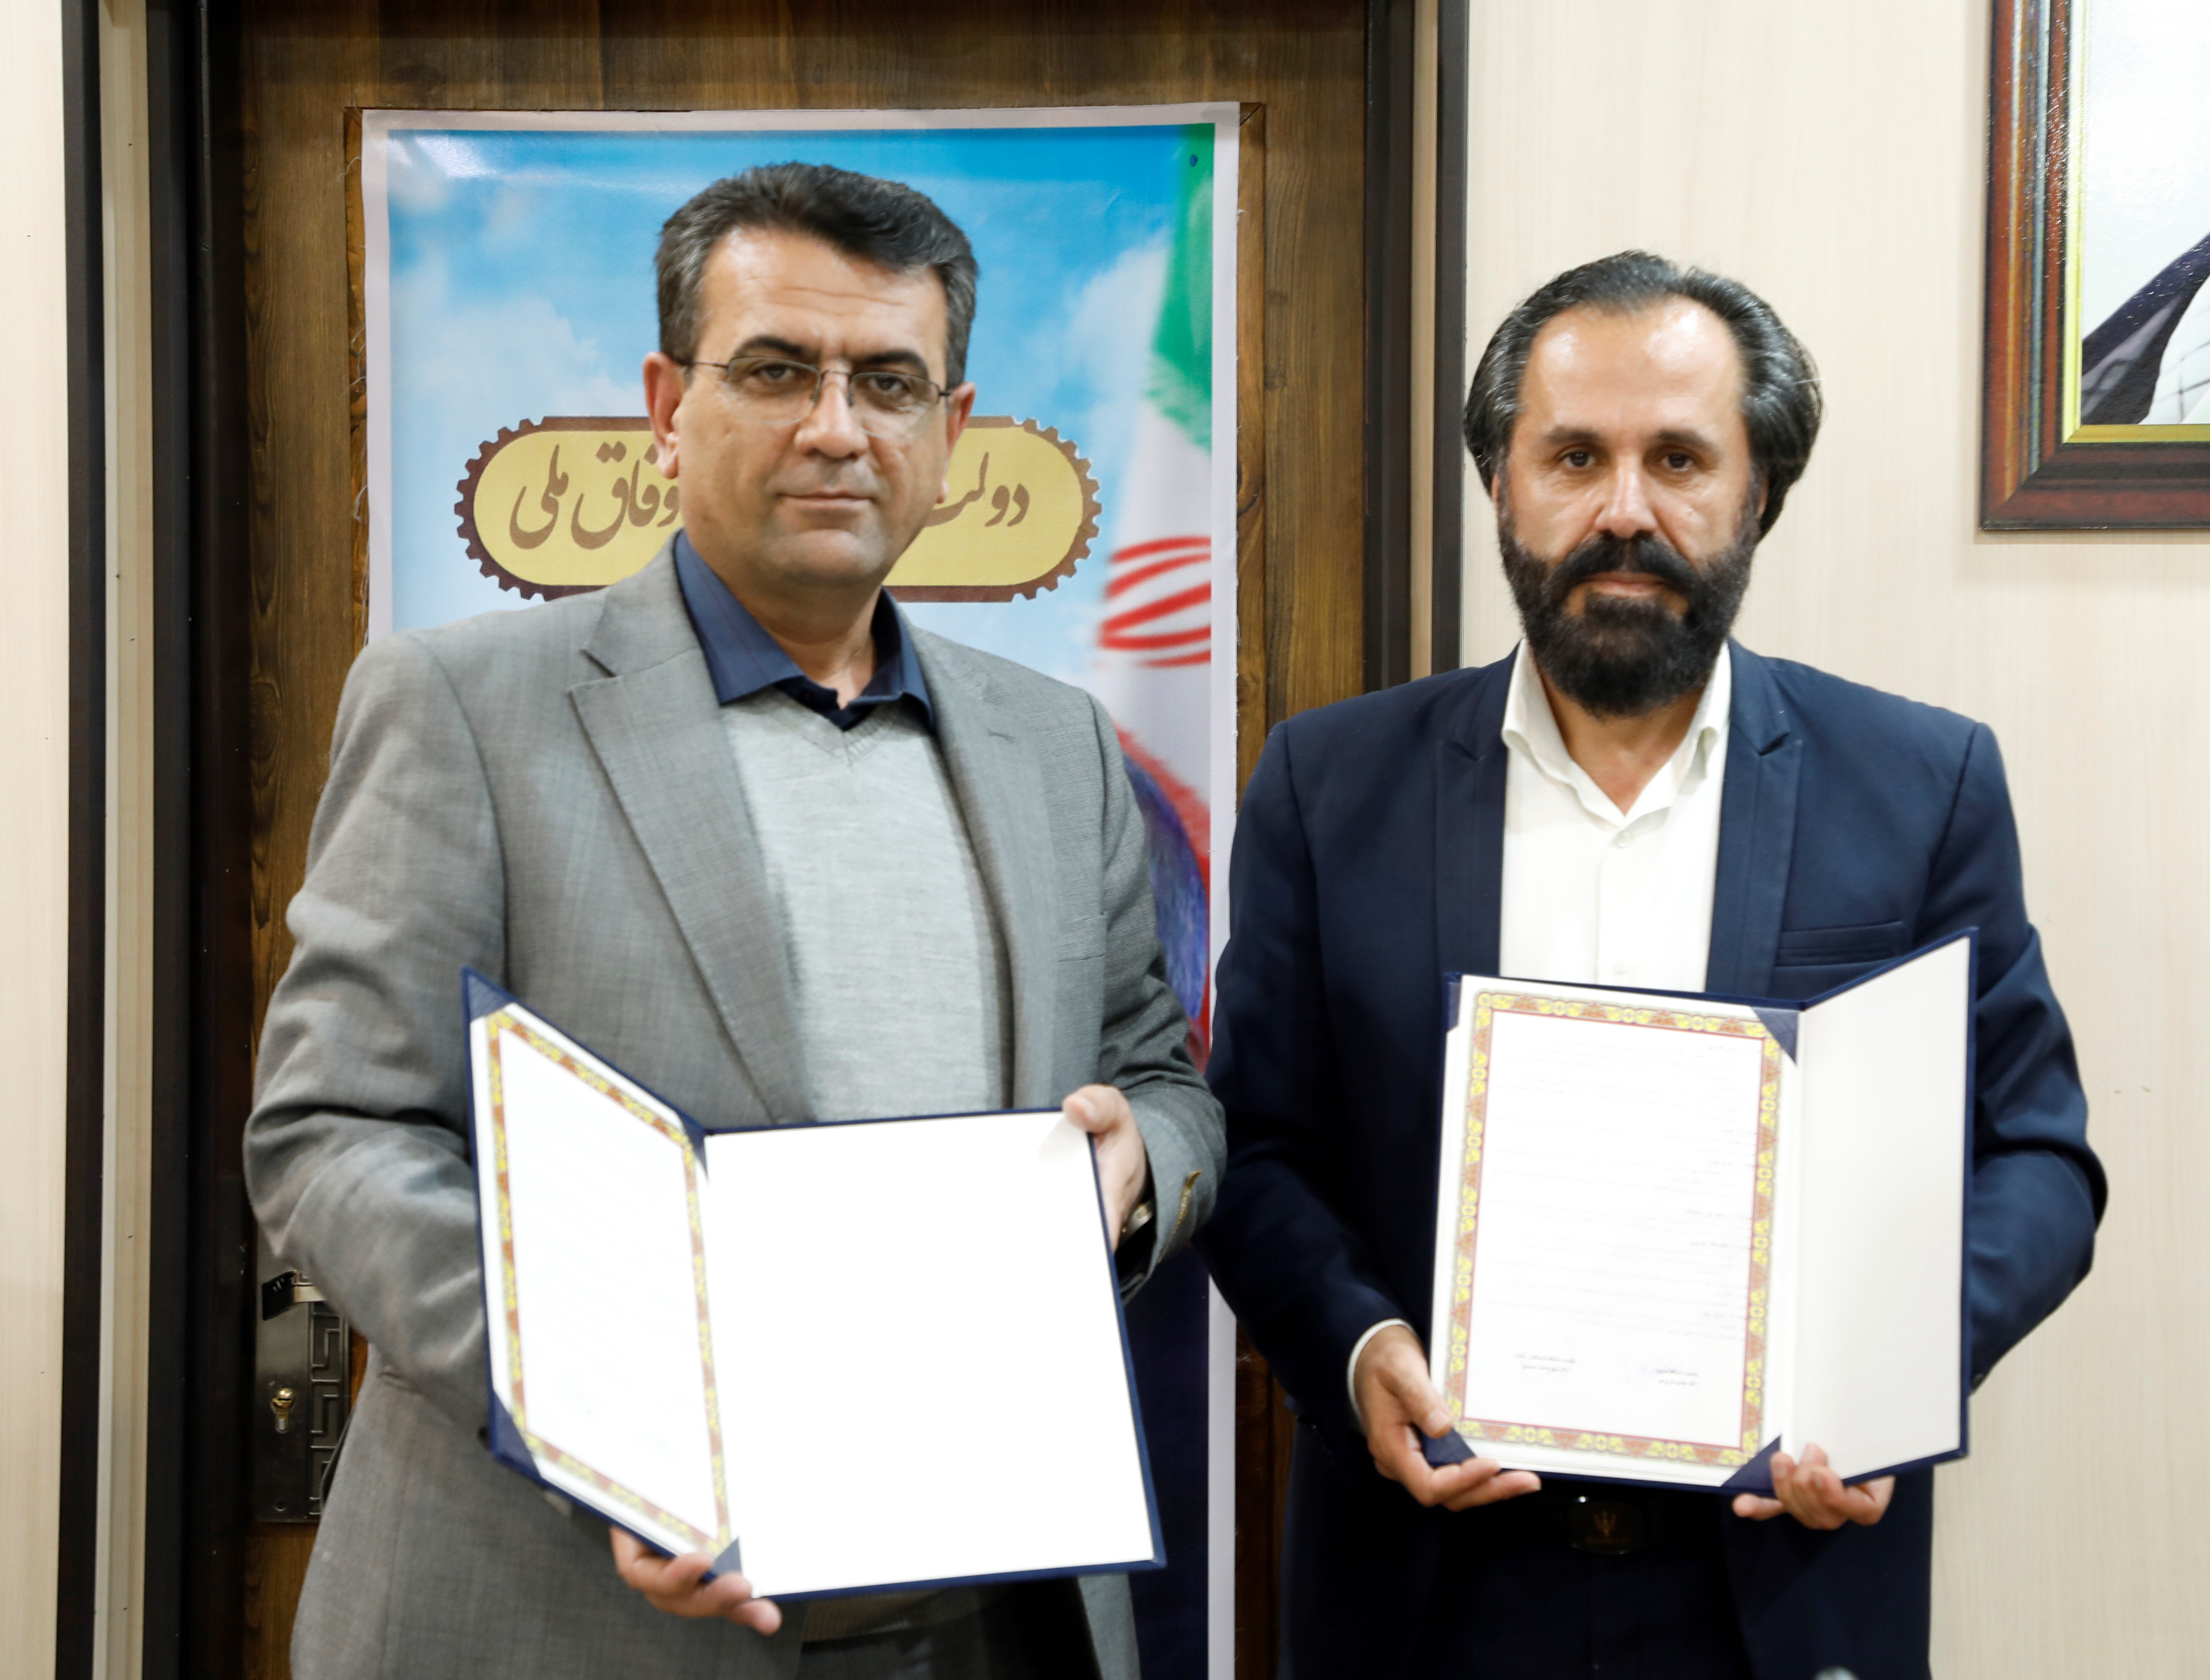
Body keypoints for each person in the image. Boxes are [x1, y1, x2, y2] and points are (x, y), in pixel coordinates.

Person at [246, 161, 1223, 1680]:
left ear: (952, 432)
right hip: (576, 1614)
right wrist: (607, 1420)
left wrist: (1138, 1166)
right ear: (666, 404)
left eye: (888, 382)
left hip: (983, 1616)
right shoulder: (465, 709)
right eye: (775, 371)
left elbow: (1157, 1076)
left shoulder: (1058, 746)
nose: (836, 427)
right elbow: (333, 1133)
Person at [1198, 250, 2104, 1679]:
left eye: (1679, 459)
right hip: (1427, 1587)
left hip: (1779, 1588)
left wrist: (1888, 1378)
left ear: (1759, 492)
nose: (1625, 510)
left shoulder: (1920, 785)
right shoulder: (1331, 784)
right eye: (1574, 457)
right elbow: (1257, 1150)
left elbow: (2037, 1158)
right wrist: (1361, 1348)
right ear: (1501, 485)